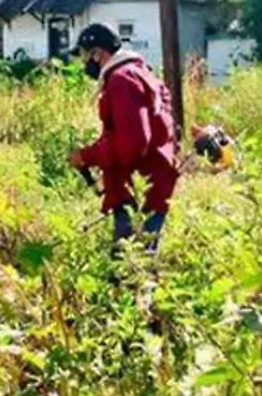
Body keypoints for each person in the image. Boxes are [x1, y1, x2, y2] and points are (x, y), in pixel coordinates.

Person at [69, 23, 180, 254]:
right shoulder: (140, 73)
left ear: (97, 54)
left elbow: (133, 144)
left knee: (130, 270)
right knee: (139, 264)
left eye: (83, 55)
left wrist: (87, 156)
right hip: (151, 185)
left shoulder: (122, 80)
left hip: (139, 192)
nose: (83, 63)